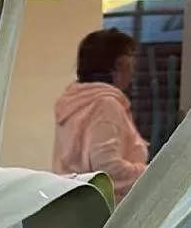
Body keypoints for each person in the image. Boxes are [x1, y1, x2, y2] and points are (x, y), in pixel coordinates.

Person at [53, 28, 148, 204]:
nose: (133, 67)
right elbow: (106, 170)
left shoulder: (74, 102)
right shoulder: (105, 105)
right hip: (104, 212)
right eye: (130, 56)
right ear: (119, 63)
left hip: (72, 206)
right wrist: (149, 174)